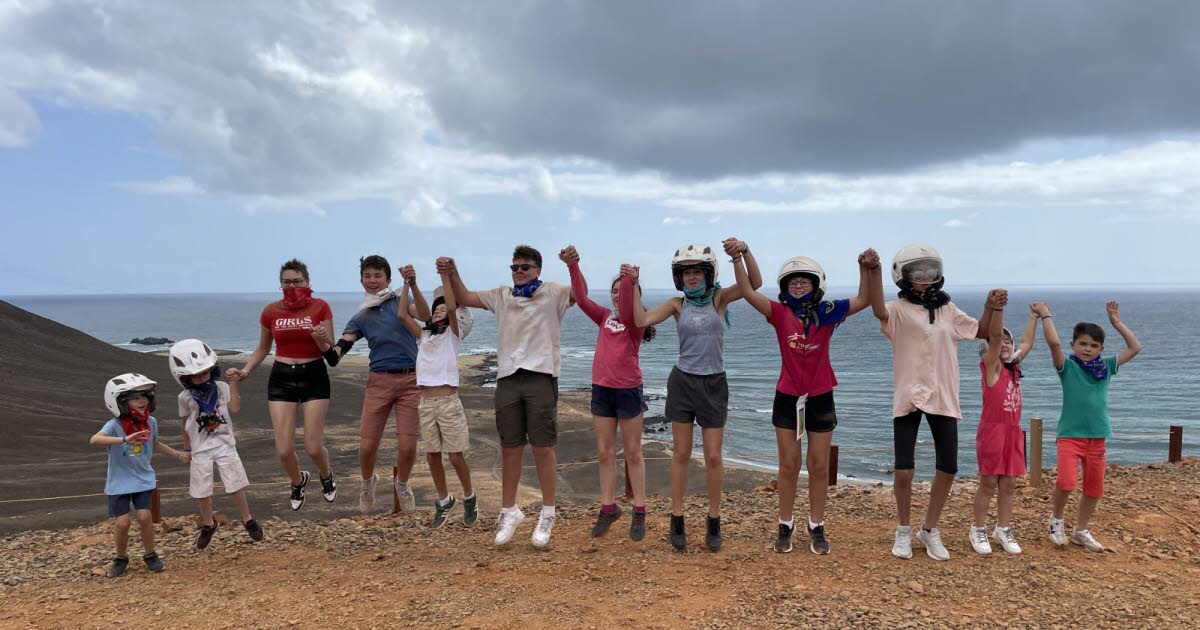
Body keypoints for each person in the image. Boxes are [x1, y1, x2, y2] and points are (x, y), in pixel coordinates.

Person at [623, 238, 762, 552]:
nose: (692, 277)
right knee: (681, 454)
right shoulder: (677, 304)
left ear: (709, 274)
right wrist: (634, 283)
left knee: (713, 456)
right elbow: (640, 320)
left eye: (698, 272)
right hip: (683, 382)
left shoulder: (721, 298)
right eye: (686, 273)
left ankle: (714, 519)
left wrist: (742, 252)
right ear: (679, 278)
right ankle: (677, 517)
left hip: (714, 383)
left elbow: (755, 282)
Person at [740, 249, 880, 554]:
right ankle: (785, 524)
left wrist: (865, 268)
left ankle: (816, 525)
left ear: (816, 284)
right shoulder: (779, 313)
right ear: (784, 286)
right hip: (787, 397)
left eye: (805, 281)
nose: (799, 285)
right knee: (788, 465)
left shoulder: (828, 311)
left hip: (820, 396)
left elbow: (865, 299)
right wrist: (740, 256)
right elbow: (748, 292)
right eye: (793, 282)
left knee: (818, 466)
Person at [869, 243, 1000, 562]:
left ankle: (929, 529)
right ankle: (903, 530)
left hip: (942, 394)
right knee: (903, 470)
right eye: (918, 271)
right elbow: (877, 310)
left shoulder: (948, 309)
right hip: (908, 395)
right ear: (904, 276)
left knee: (949, 467)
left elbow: (981, 330)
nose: (926, 277)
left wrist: (991, 306)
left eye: (931, 270)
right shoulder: (898, 310)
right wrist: (872, 270)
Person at [437, 245, 575, 548]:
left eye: (525, 267)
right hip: (508, 378)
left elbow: (580, 294)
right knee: (510, 447)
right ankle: (509, 510)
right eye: (514, 267)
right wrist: (452, 273)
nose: (519, 272)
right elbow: (464, 297)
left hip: (541, 375)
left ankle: (548, 512)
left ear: (538, 269)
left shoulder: (553, 292)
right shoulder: (501, 295)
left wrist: (573, 265)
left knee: (542, 447)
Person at [226, 259, 337, 511]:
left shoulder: (321, 307)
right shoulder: (270, 311)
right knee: (284, 450)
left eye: (297, 281)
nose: (292, 286)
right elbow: (263, 347)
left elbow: (330, 347)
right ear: (280, 284)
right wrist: (245, 371)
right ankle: (298, 481)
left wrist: (322, 340)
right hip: (282, 376)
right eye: (287, 282)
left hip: (314, 375)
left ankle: (325, 474)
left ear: (308, 283)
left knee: (312, 446)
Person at [320, 256, 429, 514]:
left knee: (408, 445)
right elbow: (335, 357)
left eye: (378, 276)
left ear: (388, 280)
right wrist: (322, 342)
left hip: (411, 379)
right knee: (368, 445)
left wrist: (412, 284)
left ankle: (402, 484)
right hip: (378, 381)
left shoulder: (399, 301)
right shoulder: (361, 316)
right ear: (361, 280)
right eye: (367, 276)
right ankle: (367, 484)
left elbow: (424, 316)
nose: (372, 280)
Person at [560, 245, 654, 541]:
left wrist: (631, 281)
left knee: (634, 454)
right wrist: (573, 266)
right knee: (605, 453)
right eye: (613, 290)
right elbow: (583, 298)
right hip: (602, 390)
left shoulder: (634, 322)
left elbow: (627, 306)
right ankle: (608, 507)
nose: (616, 295)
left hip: (628, 391)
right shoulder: (603, 317)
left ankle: (639, 511)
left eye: (620, 290)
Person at [1035, 300, 1141, 552]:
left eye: (1094, 345)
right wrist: (1045, 315)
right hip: (1070, 436)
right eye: (1082, 343)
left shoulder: (1105, 368)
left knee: (1094, 488)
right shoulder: (1067, 367)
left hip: (1098, 436)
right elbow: (1054, 344)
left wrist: (1116, 323)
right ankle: (1056, 521)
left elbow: (1135, 347)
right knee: (1066, 482)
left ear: (1101, 349)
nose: (1087, 349)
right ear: (1073, 345)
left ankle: (1081, 530)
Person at [397, 274, 478, 528]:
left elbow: (453, 308)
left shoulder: (453, 334)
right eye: (437, 308)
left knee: (455, 456)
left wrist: (445, 276)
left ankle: (469, 496)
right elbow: (402, 315)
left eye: (444, 308)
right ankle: (444, 500)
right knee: (432, 455)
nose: (441, 310)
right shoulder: (424, 335)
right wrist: (408, 284)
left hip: (447, 401)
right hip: (426, 402)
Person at [168, 339, 265, 550]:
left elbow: (235, 408)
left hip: (224, 443)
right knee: (201, 489)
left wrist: (233, 383)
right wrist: (187, 449)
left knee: (235, 483)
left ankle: (247, 519)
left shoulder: (221, 387)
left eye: (205, 373)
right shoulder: (184, 397)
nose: (202, 378)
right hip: (200, 447)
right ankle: (208, 524)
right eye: (196, 375)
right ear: (186, 378)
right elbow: (185, 424)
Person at [91, 373, 189, 577]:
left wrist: (178, 454)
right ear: (120, 402)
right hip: (119, 482)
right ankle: (120, 557)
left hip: (143, 478)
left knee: (145, 517)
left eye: (145, 396)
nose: (143, 401)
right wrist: (124, 440)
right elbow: (95, 440)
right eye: (136, 397)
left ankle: (150, 554)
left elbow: (155, 443)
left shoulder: (150, 422)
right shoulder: (114, 425)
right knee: (123, 522)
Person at [969, 303, 1037, 555]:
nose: (1005, 343)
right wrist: (998, 309)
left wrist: (1033, 316)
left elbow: (1027, 342)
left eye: (1008, 340)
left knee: (1008, 484)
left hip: (1013, 431)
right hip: (993, 431)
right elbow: (995, 339)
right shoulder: (992, 367)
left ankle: (1003, 528)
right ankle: (978, 528)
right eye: (1000, 341)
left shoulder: (1013, 367)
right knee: (988, 482)